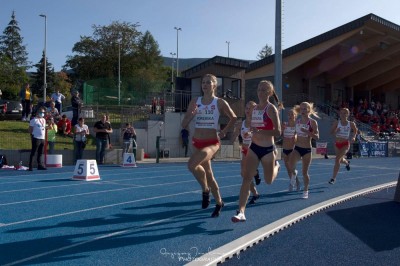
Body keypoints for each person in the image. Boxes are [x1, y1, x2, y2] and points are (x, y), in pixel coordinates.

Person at [181, 73, 237, 218]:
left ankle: (205, 190)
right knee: (209, 174)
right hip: (197, 141)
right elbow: (184, 123)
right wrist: (191, 115)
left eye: (208, 82)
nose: (205, 85)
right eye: (203, 82)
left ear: (214, 85)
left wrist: (224, 131)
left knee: (191, 165)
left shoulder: (219, 102)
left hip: (212, 142)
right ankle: (219, 202)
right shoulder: (195, 100)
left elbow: (234, 117)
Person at [232, 80, 282, 223]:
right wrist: (249, 133)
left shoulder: (271, 109)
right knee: (246, 178)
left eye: (264, 90)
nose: (261, 92)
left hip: (267, 149)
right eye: (259, 89)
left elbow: (278, 132)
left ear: (270, 93)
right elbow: (254, 129)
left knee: (268, 180)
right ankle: (241, 211)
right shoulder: (254, 109)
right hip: (254, 147)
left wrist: (260, 131)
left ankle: (277, 167)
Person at [288, 102, 320, 199]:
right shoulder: (297, 122)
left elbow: (317, 137)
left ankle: (306, 190)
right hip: (297, 148)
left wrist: (307, 132)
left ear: (309, 110)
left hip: (307, 149)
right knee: (290, 164)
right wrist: (294, 136)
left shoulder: (313, 122)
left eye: (305, 109)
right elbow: (295, 133)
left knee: (304, 172)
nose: (303, 111)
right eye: (301, 109)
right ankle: (294, 174)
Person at [238, 101, 261, 205]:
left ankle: (255, 173)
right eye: (246, 108)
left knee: (247, 173)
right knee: (243, 173)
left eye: (250, 108)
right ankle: (255, 193)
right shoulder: (241, 123)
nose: (247, 110)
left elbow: (258, 132)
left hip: (255, 150)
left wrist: (251, 132)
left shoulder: (257, 122)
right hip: (244, 149)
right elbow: (236, 136)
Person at [328, 108, 358, 184]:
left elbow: (355, 130)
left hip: (345, 144)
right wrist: (336, 131)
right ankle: (347, 163)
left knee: (337, 159)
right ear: (339, 114)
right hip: (337, 144)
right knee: (340, 160)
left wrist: (354, 137)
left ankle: (333, 178)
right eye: (341, 113)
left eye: (345, 113)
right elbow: (331, 132)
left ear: (347, 115)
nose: (343, 115)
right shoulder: (336, 123)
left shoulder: (351, 123)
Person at [282, 108, 300, 191]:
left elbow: (298, 137)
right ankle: (295, 182)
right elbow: (279, 133)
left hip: (292, 149)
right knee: (288, 168)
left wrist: (295, 137)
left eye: (292, 114)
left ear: (295, 116)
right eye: (289, 114)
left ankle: (292, 183)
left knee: (291, 167)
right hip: (284, 149)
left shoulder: (297, 126)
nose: (290, 116)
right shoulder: (284, 124)